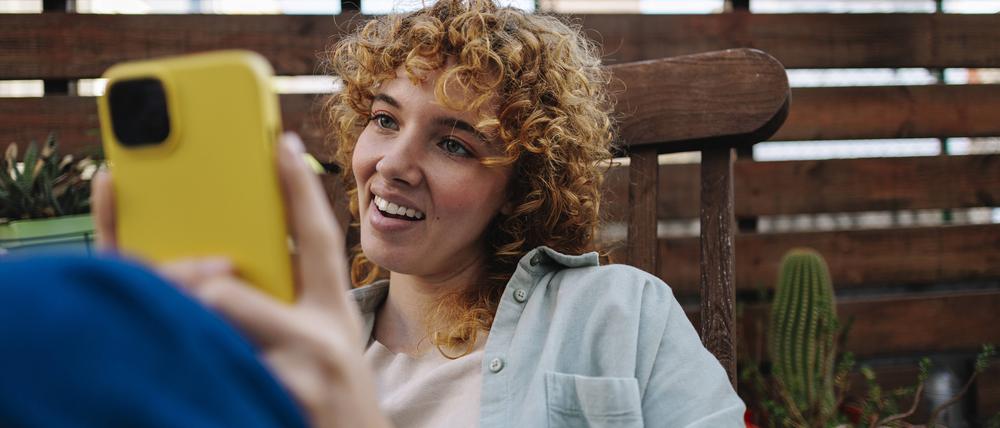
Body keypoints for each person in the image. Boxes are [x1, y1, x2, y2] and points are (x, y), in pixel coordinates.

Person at [90, 0, 744, 427]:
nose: (393, 163)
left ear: (522, 185)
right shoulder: (292, 348)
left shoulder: (619, 313)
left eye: (454, 142)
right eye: (383, 119)